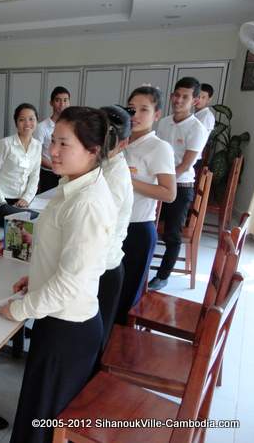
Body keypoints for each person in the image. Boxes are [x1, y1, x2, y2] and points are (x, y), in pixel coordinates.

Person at [0, 106, 117, 443]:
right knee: (37, 409)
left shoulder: (88, 203)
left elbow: (70, 284)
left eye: (64, 144)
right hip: (56, 317)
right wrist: (36, 278)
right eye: (53, 141)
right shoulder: (72, 186)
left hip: (69, 327)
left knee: (46, 421)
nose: (52, 151)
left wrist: (18, 310)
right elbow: (64, 261)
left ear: (93, 150)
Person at [115, 87, 176, 324]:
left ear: (157, 114)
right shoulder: (123, 143)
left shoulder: (159, 148)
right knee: (110, 291)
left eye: (144, 109)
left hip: (137, 231)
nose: (135, 115)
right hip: (113, 227)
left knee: (127, 297)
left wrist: (128, 181)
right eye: (132, 108)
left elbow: (169, 193)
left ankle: (116, 353)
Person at [149, 77, 209, 290]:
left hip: (180, 187)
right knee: (145, 224)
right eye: (176, 95)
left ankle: (163, 275)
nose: (179, 100)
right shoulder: (164, 122)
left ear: (194, 101)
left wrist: (161, 182)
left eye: (185, 97)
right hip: (158, 184)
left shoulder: (196, 129)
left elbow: (185, 165)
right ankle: (141, 263)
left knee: (172, 234)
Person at [97, 105, 134, 349]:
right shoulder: (102, 167)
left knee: (95, 345)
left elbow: (95, 233)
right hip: (100, 268)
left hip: (104, 270)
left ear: (123, 143)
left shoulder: (113, 177)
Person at [0, 103, 41, 213]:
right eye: (22, 120)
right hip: (1, 200)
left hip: (23, 202)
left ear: (36, 121)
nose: (27, 123)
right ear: (16, 123)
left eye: (31, 119)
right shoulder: (5, 144)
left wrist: (27, 198)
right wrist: (2, 202)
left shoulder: (37, 146)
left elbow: (35, 175)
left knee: (20, 230)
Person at [34, 86, 70, 193]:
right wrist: (56, 167)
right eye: (58, 100)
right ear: (51, 103)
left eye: (65, 100)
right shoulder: (42, 127)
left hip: (66, 173)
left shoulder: (70, 126)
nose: (62, 104)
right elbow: (36, 155)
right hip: (48, 174)